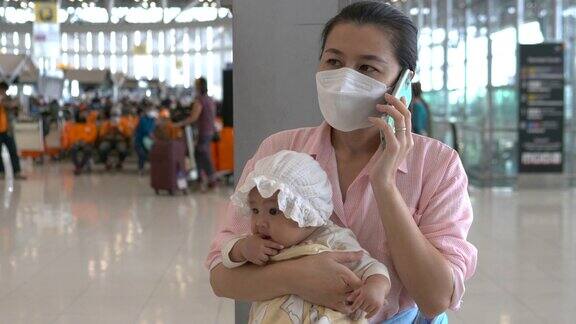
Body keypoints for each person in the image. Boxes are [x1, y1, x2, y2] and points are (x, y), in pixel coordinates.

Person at [207, 2, 477, 323]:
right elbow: (221, 276)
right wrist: (296, 276)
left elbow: (435, 298)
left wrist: (386, 185)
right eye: (333, 61)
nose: (344, 78)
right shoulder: (279, 151)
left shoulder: (437, 164)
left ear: (402, 82)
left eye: (367, 68)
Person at [223, 150, 390, 323]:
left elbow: (370, 266)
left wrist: (376, 286)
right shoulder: (261, 246)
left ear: (306, 213)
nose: (259, 223)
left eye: (273, 211)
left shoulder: (332, 238)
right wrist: (242, 248)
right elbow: (227, 258)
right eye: (255, 211)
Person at [174, 77, 217, 189]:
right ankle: (201, 178)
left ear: (199, 87)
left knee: (202, 153)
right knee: (200, 153)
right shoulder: (210, 99)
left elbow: (193, 117)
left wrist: (180, 123)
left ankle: (211, 178)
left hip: (204, 131)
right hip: (210, 130)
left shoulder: (200, 100)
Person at [0, 82, 26, 180]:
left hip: (8, 131)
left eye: (4, 90)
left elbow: (15, 106)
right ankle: (1, 172)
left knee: (13, 152)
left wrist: (13, 105)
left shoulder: (9, 99)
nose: (2, 92)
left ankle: (17, 172)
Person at [68, 109, 98, 175]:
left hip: (87, 143)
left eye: (84, 114)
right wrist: (76, 141)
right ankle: (77, 166)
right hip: (76, 143)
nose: (82, 115)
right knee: (73, 150)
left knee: (87, 150)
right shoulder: (74, 126)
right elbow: (71, 135)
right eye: (81, 114)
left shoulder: (91, 125)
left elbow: (93, 135)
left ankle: (80, 166)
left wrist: (85, 141)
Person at [134, 105, 158, 174]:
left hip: (149, 142)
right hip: (140, 142)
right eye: (151, 110)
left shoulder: (153, 120)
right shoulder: (143, 120)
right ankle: (141, 169)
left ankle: (153, 168)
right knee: (142, 155)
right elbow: (149, 133)